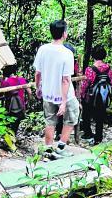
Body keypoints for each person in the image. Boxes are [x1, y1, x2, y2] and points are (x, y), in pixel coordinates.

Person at [33, 19, 80, 156]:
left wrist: (38, 88)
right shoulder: (67, 53)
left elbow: (38, 73)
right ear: (64, 33)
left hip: (48, 93)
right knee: (71, 117)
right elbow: (65, 80)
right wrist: (64, 102)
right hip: (66, 95)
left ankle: (48, 149)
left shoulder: (43, 49)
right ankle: (60, 148)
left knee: (50, 120)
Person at [80, 44, 112, 145]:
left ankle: (88, 133)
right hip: (103, 97)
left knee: (86, 114)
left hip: (91, 97)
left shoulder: (90, 69)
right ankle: (98, 137)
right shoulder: (109, 68)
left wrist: (82, 94)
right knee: (100, 116)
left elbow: (86, 84)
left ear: (93, 55)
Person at [0, 64, 31, 134]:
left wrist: (1, 82)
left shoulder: (5, 82)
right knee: (16, 124)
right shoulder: (21, 80)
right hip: (21, 106)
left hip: (9, 108)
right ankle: (13, 138)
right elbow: (29, 92)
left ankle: (11, 140)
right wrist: (27, 102)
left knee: (9, 125)